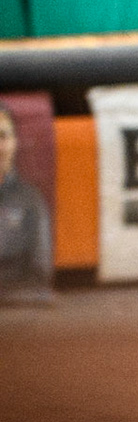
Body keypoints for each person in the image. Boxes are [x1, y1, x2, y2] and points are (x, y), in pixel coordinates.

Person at [0, 107, 55, 307]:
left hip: (19, 303)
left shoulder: (30, 200)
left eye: (2, 136)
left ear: (14, 143)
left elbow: (40, 271)